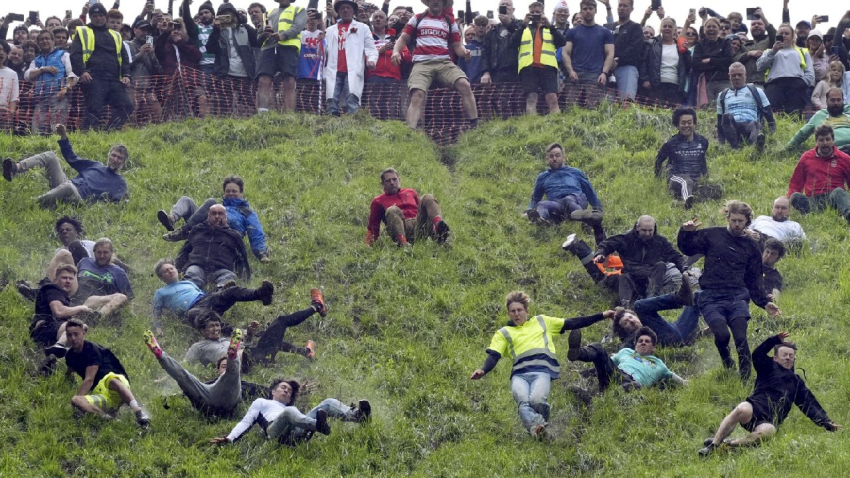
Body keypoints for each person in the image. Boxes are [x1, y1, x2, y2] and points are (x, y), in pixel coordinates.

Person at [469, 291, 615, 437]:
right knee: (523, 402)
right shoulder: (504, 333)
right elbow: (494, 355)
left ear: (527, 311)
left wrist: (602, 315)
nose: (516, 314)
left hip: (542, 371)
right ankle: (538, 429)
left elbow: (572, 322)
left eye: (519, 310)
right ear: (508, 314)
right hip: (519, 374)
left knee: (537, 400)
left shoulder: (542, 321)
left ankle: (539, 428)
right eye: (512, 311)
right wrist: (483, 370)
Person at [678, 200, 781, 380]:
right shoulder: (712, 235)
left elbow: (754, 279)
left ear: (747, 221)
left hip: (737, 296)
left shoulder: (751, 246)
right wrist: (685, 233)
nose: (736, 225)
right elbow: (687, 248)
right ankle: (726, 359)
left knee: (741, 338)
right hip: (711, 295)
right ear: (728, 217)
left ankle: (745, 380)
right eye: (733, 220)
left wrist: (765, 302)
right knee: (722, 334)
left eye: (740, 221)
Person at [698, 332, 841, 456]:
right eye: (784, 355)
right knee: (742, 408)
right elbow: (757, 354)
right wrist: (774, 340)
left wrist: (826, 422)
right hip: (753, 408)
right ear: (775, 358)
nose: (788, 358)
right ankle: (714, 445)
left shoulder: (796, 382)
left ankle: (729, 444)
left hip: (769, 420)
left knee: (769, 432)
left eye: (791, 356)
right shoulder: (767, 366)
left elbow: (809, 404)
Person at [391, 0, 479, 130]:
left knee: (464, 84)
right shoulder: (417, 18)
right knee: (417, 94)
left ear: (444, 3)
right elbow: (404, 38)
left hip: (444, 62)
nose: (436, 1)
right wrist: (395, 51)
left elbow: (457, 46)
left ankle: (475, 125)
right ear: (428, 3)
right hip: (421, 63)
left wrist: (464, 52)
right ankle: (409, 133)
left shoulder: (450, 22)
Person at [145, 329, 268, 417]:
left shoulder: (242, 383)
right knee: (184, 376)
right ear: (217, 370)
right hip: (206, 399)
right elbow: (186, 389)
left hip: (230, 400)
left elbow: (261, 390)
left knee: (233, 374)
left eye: (227, 366)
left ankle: (233, 355)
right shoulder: (210, 382)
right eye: (223, 366)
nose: (224, 369)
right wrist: (169, 399)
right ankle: (160, 355)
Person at [210, 378, 371, 446]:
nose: (287, 391)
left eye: (289, 392)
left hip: (297, 431)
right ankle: (318, 425)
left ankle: (358, 416)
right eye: (283, 388)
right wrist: (230, 438)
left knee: (328, 402)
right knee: (290, 413)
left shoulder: (289, 408)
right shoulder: (261, 402)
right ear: (273, 391)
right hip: (274, 432)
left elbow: (295, 414)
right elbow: (246, 421)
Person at [3, 124, 128, 207]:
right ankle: (15, 168)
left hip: (79, 199)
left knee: (69, 187)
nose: (115, 159)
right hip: (66, 185)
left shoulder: (120, 183)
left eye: (119, 158)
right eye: (113, 155)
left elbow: (120, 203)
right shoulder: (96, 165)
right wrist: (63, 136)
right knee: (50, 156)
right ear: (109, 155)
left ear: (123, 162)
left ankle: (32, 203)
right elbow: (72, 158)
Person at [185, 293, 323, 366]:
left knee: (270, 337)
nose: (216, 329)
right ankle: (317, 306)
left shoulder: (226, 339)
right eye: (211, 326)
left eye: (217, 325)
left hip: (253, 354)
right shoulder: (198, 347)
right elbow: (184, 365)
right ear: (202, 331)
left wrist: (250, 332)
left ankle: (306, 352)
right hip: (242, 361)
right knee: (281, 321)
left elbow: (248, 343)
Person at [158, 176, 271, 262]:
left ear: (241, 193)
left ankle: (183, 232)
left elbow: (255, 231)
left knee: (211, 203)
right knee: (187, 200)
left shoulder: (246, 212)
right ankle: (171, 219)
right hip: (205, 225)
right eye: (228, 191)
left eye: (234, 191)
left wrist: (261, 253)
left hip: (225, 232)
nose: (230, 193)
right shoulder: (218, 208)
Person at [64, 318, 150, 426]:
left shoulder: (91, 349)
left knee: (112, 380)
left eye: (76, 334)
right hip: (100, 393)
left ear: (83, 333)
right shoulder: (69, 356)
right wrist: (75, 400)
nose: (73, 338)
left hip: (115, 384)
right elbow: (70, 369)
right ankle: (110, 420)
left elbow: (89, 380)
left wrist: (73, 406)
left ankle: (138, 412)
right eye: (69, 335)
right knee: (76, 400)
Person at [152, 258, 278, 331]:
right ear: (161, 277)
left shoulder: (188, 283)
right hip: (193, 309)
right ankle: (237, 332)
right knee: (198, 314)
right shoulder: (161, 292)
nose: (170, 271)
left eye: (171, 268)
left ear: (176, 270)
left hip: (205, 299)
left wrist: (220, 295)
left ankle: (261, 294)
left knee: (231, 291)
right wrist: (158, 328)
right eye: (165, 271)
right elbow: (156, 312)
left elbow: (203, 295)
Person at [592, 215, 686, 307]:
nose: (647, 233)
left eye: (650, 231)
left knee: (661, 265)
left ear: (654, 228)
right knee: (624, 276)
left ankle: (651, 299)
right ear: (637, 227)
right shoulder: (626, 238)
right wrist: (600, 254)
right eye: (644, 230)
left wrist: (685, 269)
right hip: (631, 277)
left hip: (651, 279)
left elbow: (676, 256)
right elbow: (607, 244)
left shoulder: (661, 242)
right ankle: (625, 305)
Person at [68, 3, 133, 131]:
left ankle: (110, 131)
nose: (98, 18)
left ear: (105, 16)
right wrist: (82, 72)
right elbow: (75, 54)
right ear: (91, 17)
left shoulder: (115, 35)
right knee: (94, 110)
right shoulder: (82, 31)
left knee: (126, 106)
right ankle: (89, 137)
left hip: (114, 79)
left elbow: (124, 58)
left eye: (101, 15)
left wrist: (126, 75)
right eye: (95, 16)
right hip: (93, 77)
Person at [566, 326, 687, 393]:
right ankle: (577, 353)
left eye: (647, 341)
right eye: (640, 341)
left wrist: (689, 384)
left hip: (632, 383)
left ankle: (595, 397)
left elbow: (680, 381)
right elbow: (607, 362)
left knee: (634, 386)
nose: (643, 343)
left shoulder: (659, 364)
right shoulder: (626, 352)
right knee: (598, 348)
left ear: (653, 348)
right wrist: (584, 374)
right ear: (636, 345)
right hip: (615, 375)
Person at [525, 142, 605, 241]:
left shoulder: (575, 172)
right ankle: (540, 221)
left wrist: (597, 208)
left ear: (564, 157)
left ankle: (587, 219)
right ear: (547, 159)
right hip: (557, 205)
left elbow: (589, 190)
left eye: (557, 155)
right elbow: (536, 198)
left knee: (567, 201)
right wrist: (528, 210)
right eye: (551, 156)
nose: (554, 158)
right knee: (542, 204)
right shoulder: (542, 177)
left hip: (576, 199)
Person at [366, 167, 450, 246]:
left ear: (399, 180)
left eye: (394, 179)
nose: (392, 183)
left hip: (419, 225)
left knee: (427, 197)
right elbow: (373, 227)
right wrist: (368, 246)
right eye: (388, 181)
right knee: (392, 209)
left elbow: (423, 210)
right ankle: (403, 244)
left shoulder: (410, 192)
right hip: (401, 228)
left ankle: (439, 229)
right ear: (382, 184)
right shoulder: (378, 201)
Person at [173, 204, 251, 290]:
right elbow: (185, 251)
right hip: (197, 266)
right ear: (208, 216)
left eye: (220, 214)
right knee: (192, 275)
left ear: (226, 216)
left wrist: (244, 279)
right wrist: (177, 269)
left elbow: (242, 258)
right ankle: (192, 295)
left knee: (228, 279)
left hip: (221, 269)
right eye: (214, 213)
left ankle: (221, 295)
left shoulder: (233, 235)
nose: (217, 217)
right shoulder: (197, 230)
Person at [29, 264, 95, 365]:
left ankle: (55, 360)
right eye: (64, 278)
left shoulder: (63, 296)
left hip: (52, 331)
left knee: (80, 332)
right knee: (77, 327)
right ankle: (59, 346)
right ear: (56, 279)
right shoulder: (53, 289)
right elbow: (58, 312)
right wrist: (80, 308)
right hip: (44, 327)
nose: (68, 281)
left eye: (70, 278)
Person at [324, 0, 378, 116]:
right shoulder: (329, 30)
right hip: (334, 69)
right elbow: (324, 50)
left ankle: (352, 126)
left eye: (348, 8)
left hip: (353, 69)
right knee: (331, 98)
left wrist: (371, 60)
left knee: (352, 98)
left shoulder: (362, 28)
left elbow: (370, 47)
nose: (345, 10)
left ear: (353, 11)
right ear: (338, 11)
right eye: (342, 8)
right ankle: (330, 123)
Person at [511, 2, 565, 115]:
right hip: (528, 67)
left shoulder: (549, 29)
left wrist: (551, 26)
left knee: (552, 98)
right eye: (532, 13)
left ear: (543, 14)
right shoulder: (523, 29)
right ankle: (532, 124)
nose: (535, 15)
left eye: (538, 13)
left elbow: (562, 42)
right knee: (531, 98)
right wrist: (523, 24)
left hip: (548, 67)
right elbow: (512, 43)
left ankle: (557, 124)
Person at [787, 124, 850, 223]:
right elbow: (796, 183)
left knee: (839, 192)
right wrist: (787, 202)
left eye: (828, 139)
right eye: (821, 140)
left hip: (833, 197)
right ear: (816, 141)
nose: (825, 143)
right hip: (812, 200)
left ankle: (848, 215)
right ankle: (814, 213)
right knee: (795, 196)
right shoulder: (806, 157)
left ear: (833, 140)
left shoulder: (844, 158)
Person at [206, 2, 259, 115]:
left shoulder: (245, 28)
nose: (227, 17)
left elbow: (258, 43)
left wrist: (242, 20)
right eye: (223, 14)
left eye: (229, 14)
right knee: (224, 108)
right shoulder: (217, 32)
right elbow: (210, 49)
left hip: (245, 74)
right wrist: (216, 29)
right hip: (225, 74)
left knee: (247, 107)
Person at [562, 0, 615, 106]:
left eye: (590, 8)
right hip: (575, 75)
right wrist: (570, 71)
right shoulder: (572, 32)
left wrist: (604, 73)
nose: (588, 11)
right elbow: (565, 52)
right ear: (581, 11)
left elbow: (610, 54)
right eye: (585, 9)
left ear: (595, 10)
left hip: (595, 76)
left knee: (593, 111)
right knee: (571, 109)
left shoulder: (604, 32)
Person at [256, 0, 306, 113]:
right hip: (268, 48)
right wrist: (264, 33)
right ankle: (263, 114)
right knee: (263, 80)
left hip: (289, 48)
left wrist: (283, 35)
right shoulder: (268, 13)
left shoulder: (299, 10)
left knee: (289, 81)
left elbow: (298, 26)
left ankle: (289, 115)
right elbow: (258, 37)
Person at [655, 107, 711, 208]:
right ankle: (687, 201)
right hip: (675, 177)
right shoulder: (671, 143)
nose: (686, 126)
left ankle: (686, 199)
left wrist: (706, 176)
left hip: (695, 178)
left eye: (689, 123)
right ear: (677, 125)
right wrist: (658, 178)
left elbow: (702, 160)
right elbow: (659, 160)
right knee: (686, 181)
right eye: (683, 123)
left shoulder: (703, 142)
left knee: (713, 189)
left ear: (694, 124)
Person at [756, 22, 813, 117]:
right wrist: (773, 51)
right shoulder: (769, 52)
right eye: (781, 34)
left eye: (787, 33)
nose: (784, 36)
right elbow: (759, 66)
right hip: (774, 86)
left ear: (792, 36)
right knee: (773, 116)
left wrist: (802, 83)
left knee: (795, 116)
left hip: (796, 86)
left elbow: (810, 72)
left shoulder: (803, 51)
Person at [25, 30, 76, 135]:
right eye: (42, 39)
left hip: (58, 96)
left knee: (57, 127)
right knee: (37, 127)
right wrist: (43, 69)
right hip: (40, 98)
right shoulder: (36, 60)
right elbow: (27, 75)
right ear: (38, 43)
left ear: (53, 41)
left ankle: (59, 147)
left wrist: (65, 89)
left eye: (47, 38)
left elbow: (72, 74)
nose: (45, 41)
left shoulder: (64, 55)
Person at [716, 63, 776, 150]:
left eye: (739, 75)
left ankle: (754, 146)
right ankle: (735, 147)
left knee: (755, 123)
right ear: (729, 76)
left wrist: (772, 131)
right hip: (733, 128)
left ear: (745, 75)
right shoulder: (722, 95)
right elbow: (719, 121)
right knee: (726, 117)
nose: (737, 78)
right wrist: (721, 142)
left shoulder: (757, 91)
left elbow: (768, 113)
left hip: (750, 127)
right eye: (734, 75)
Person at [73, 238, 133, 314]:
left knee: (122, 297)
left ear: (111, 253)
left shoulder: (119, 273)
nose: (102, 256)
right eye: (99, 252)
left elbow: (129, 299)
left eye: (105, 252)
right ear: (94, 252)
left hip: (99, 302)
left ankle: (98, 316)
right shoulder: (85, 262)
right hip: (77, 298)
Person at [787, 88, 850, 152]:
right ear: (827, 101)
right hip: (836, 150)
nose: (836, 103)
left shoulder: (848, 112)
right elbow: (803, 133)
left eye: (838, 100)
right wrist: (786, 149)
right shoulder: (819, 115)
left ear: (843, 101)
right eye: (832, 100)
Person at [643, 17, 687, 106]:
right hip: (656, 85)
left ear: (674, 29)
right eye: (665, 26)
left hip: (675, 85)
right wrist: (644, 78)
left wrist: (686, 52)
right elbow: (644, 61)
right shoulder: (652, 43)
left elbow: (687, 65)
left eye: (670, 26)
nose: (667, 28)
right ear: (661, 28)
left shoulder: (679, 47)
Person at [692, 17, 734, 106]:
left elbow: (729, 61)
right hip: (706, 82)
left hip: (723, 80)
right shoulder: (700, 44)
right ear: (704, 29)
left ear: (718, 29)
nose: (711, 29)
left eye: (714, 27)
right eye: (709, 27)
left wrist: (709, 60)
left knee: (723, 106)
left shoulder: (725, 43)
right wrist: (719, 62)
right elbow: (696, 63)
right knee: (708, 108)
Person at [480, 0, 521, 85]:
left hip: (517, 71)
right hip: (497, 72)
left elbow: (521, 38)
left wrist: (509, 24)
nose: (505, 6)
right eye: (502, 5)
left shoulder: (521, 25)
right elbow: (485, 53)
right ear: (498, 10)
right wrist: (486, 72)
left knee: (518, 98)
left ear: (513, 10)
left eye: (508, 5)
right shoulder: (493, 30)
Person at [610, 0, 644, 100]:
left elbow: (634, 48)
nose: (622, 8)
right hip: (607, 69)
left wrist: (617, 60)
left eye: (625, 6)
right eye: (620, 5)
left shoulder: (636, 27)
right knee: (606, 105)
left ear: (631, 9)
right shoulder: (608, 27)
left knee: (626, 102)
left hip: (627, 68)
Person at [737, 9, 775, 87]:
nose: (756, 25)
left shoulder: (769, 41)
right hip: (745, 84)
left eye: (759, 24)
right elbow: (735, 59)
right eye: (753, 24)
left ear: (765, 27)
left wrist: (764, 18)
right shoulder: (744, 44)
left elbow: (775, 35)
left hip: (765, 83)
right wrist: (748, 54)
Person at [0, 41, 20, 117]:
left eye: (4, 51)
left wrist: (10, 114)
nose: (1, 53)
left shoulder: (12, 74)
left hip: (4, 115)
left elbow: (14, 98)